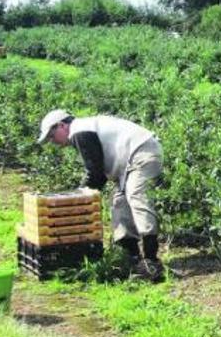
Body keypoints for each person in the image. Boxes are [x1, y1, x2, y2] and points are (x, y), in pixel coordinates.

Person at [37, 109, 165, 282]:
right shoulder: (83, 129)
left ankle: (151, 260)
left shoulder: (80, 130)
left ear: (61, 125)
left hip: (143, 152)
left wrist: (76, 199)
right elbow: (97, 174)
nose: (54, 143)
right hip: (128, 164)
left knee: (136, 196)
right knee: (119, 203)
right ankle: (131, 257)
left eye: (52, 137)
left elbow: (96, 174)